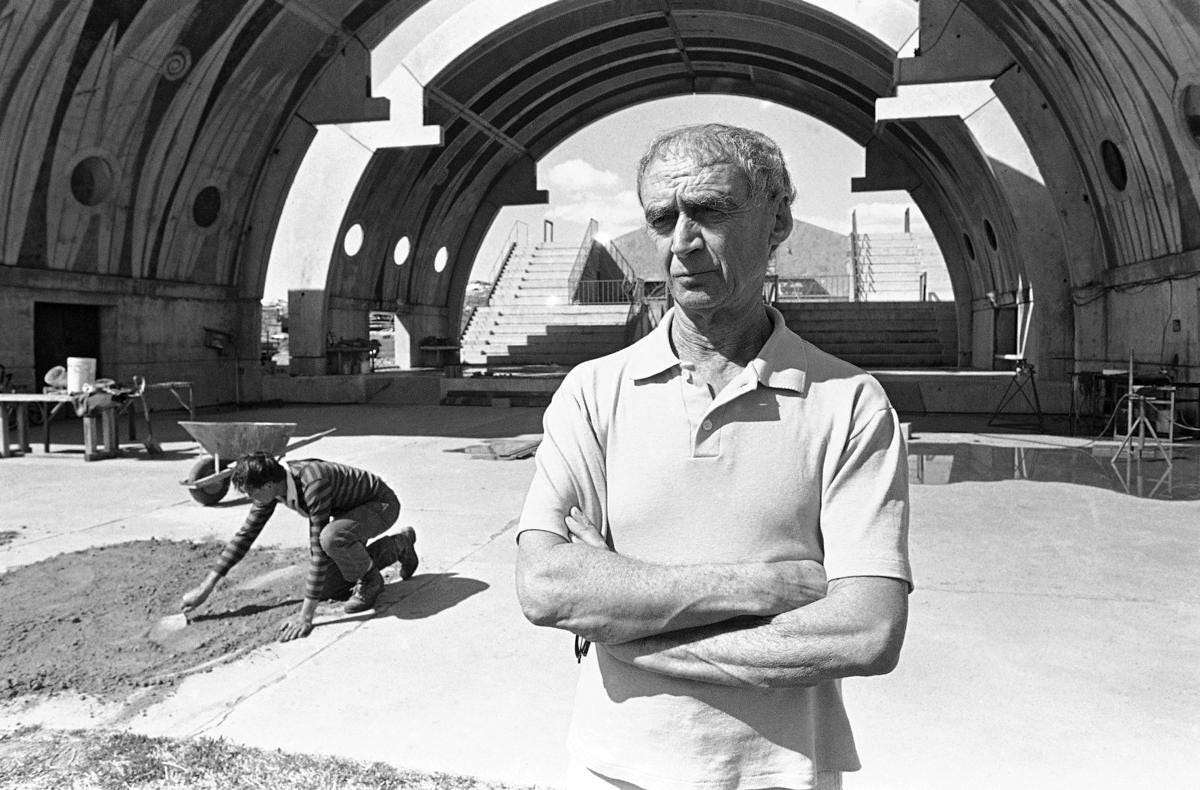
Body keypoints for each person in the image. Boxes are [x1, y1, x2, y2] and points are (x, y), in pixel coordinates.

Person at [514, 123, 912, 789]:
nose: (681, 242)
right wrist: (770, 587)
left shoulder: (849, 402)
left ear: (778, 219)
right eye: (662, 218)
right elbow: (548, 587)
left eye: (710, 212)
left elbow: (865, 631)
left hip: (777, 775)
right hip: (613, 768)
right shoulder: (592, 392)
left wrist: (625, 632)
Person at [181, 453, 419, 642]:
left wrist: (305, 617)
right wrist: (205, 587)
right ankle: (398, 546)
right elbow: (245, 536)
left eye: (251, 491)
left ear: (268, 485)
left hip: (381, 505)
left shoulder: (312, 483)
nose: (249, 497)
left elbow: (318, 550)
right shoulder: (274, 489)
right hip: (350, 515)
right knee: (329, 588)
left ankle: (371, 580)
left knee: (330, 538)